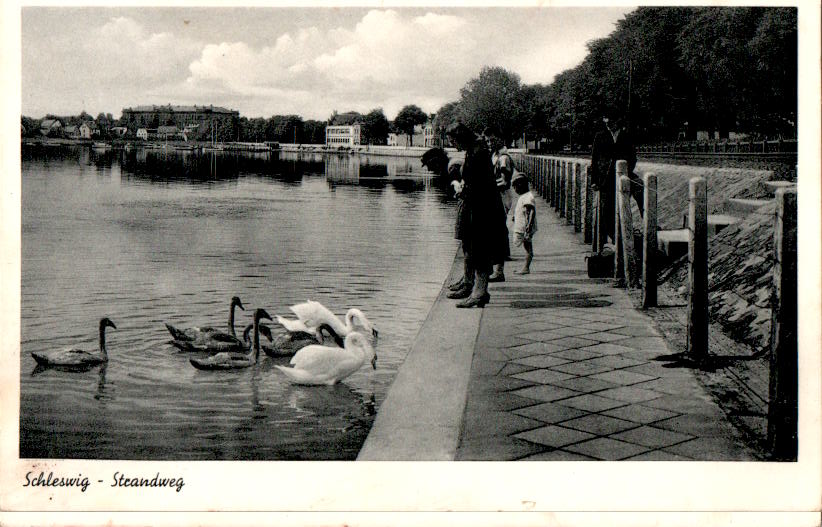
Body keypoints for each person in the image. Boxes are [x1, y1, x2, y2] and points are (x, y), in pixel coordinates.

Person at [445, 123, 508, 308]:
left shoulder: (477, 152)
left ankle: (479, 293)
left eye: (453, 140)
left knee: (480, 250)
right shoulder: (475, 149)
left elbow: (478, 183)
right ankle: (477, 290)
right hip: (482, 206)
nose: (453, 145)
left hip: (483, 209)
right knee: (476, 248)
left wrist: (462, 190)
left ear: (460, 137)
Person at [420, 147, 472, 292]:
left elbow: (460, 187)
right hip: (471, 205)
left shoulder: (453, 167)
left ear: (436, 162)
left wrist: (457, 192)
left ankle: (468, 282)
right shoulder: (454, 163)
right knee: (467, 244)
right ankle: (467, 278)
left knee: (468, 243)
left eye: (429, 166)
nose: (430, 170)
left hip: (471, 207)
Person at [590, 113, 644, 244]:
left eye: (611, 122)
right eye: (606, 122)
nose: (608, 125)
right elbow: (595, 160)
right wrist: (594, 181)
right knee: (606, 212)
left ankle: (648, 223)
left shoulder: (626, 136)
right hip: (605, 180)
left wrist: (625, 173)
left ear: (617, 122)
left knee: (640, 187)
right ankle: (615, 238)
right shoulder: (600, 136)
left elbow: (633, 157)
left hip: (623, 176)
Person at [483, 126, 514, 282]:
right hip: (495, 196)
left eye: (492, 140)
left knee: (497, 232)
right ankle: (495, 268)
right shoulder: (494, 155)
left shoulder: (503, 157)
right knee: (495, 232)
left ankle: (499, 271)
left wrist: (486, 187)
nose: (489, 143)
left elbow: (504, 181)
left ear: (500, 139)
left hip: (501, 197)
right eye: (487, 140)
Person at [511, 172, 537, 274]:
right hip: (524, 226)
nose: (515, 190)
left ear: (520, 186)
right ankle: (526, 267)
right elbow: (522, 210)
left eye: (515, 188)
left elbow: (531, 211)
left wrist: (529, 226)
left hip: (526, 227)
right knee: (526, 246)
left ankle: (526, 268)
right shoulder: (524, 196)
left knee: (528, 247)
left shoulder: (527, 197)